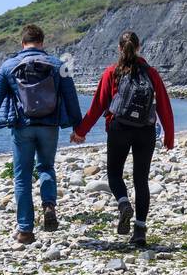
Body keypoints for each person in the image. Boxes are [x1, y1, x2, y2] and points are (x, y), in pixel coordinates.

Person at [70, 30, 174, 248]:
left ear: (119, 48)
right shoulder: (151, 73)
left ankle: (123, 203)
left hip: (118, 128)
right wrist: (169, 136)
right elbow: (164, 105)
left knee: (115, 174)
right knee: (141, 180)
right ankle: (139, 232)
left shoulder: (112, 73)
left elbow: (97, 106)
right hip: (145, 130)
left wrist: (81, 132)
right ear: (139, 48)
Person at [0, 24, 82, 244]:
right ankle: (49, 206)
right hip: (49, 126)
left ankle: (25, 230)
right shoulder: (59, 65)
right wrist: (78, 128)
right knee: (46, 167)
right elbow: (71, 97)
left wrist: (10, 116)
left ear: (22, 43)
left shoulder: (8, 65)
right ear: (42, 43)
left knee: (22, 177)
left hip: (22, 127)